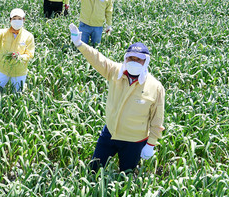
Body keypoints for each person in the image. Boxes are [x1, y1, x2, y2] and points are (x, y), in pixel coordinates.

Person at [69, 24, 165, 172]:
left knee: (126, 174)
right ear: (126, 59)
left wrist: (151, 144)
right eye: (131, 58)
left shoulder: (155, 86)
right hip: (110, 133)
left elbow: (157, 119)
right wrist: (80, 44)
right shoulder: (115, 72)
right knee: (94, 168)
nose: (134, 62)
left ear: (145, 61)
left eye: (138, 59)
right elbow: (97, 59)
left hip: (134, 141)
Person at [0, 8, 35, 96]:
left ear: (23, 20)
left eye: (19, 19)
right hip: (2, 69)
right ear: (10, 20)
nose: (17, 21)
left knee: (17, 95)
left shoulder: (28, 36)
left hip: (19, 71)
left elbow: (30, 54)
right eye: (14, 18)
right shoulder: (3, 33)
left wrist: (20, 57)